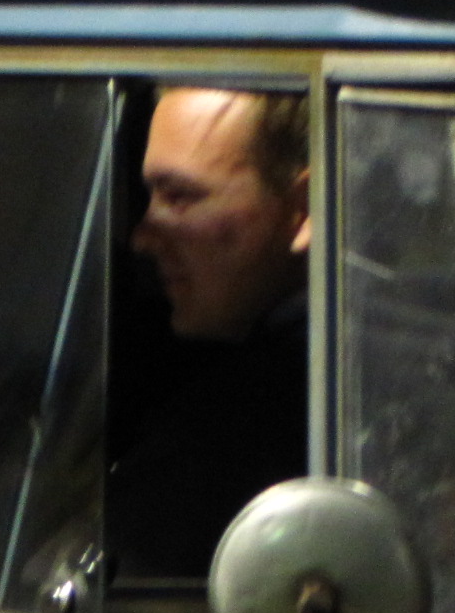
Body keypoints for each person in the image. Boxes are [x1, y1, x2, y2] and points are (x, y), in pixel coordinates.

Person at [108, 84, 311, 578]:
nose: (142, 238)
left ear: (304, 208)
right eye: (150, 197)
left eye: (179, 196)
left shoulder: (248, 427)